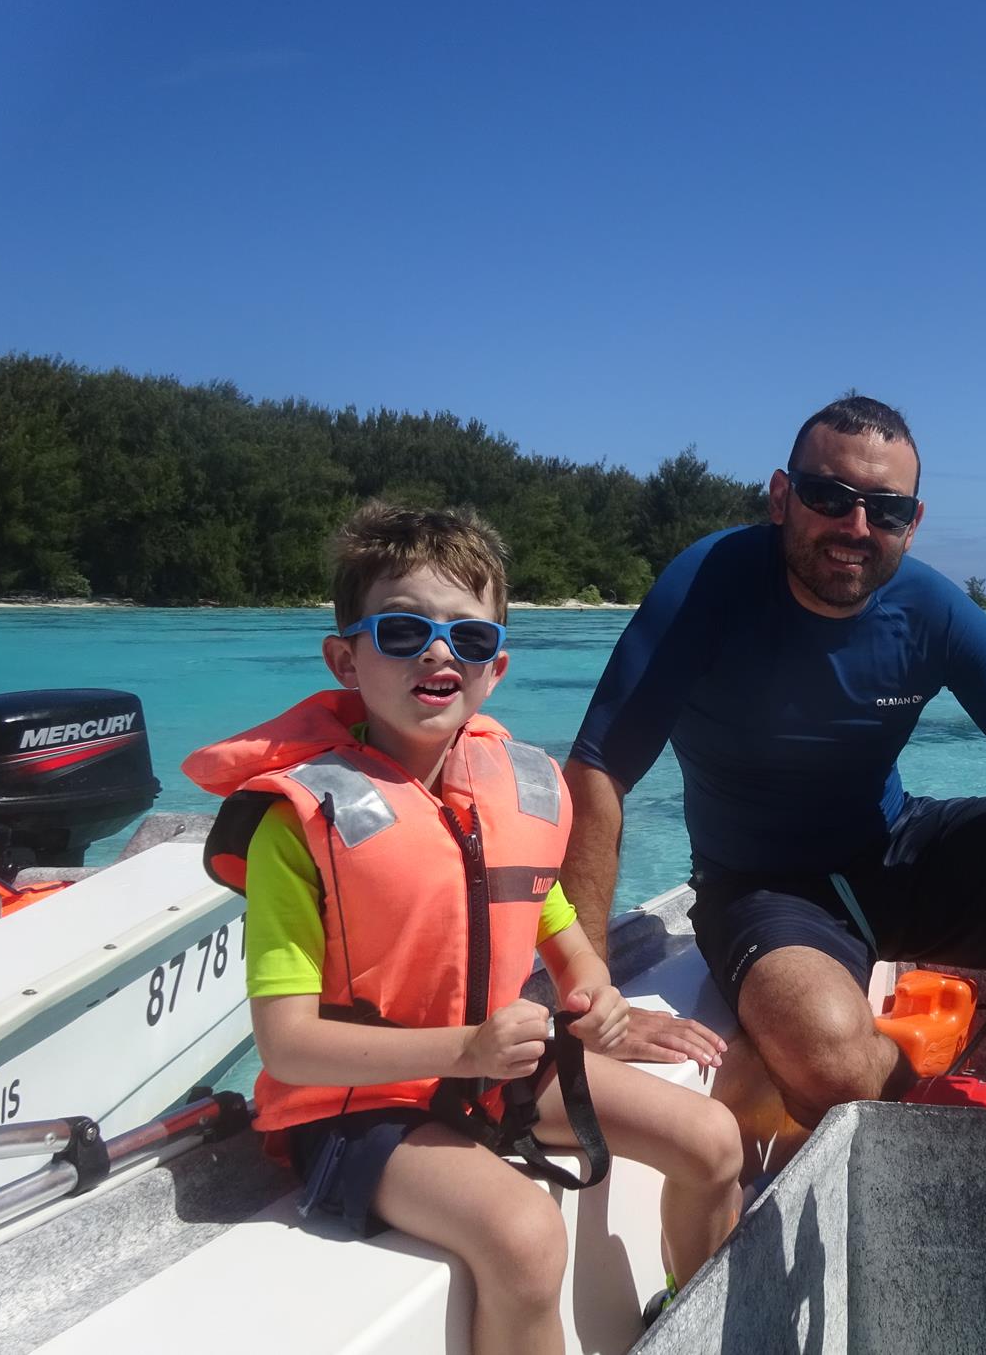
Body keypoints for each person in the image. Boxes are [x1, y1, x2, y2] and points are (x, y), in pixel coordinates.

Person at [183, 504, 740, 1355]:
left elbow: (541, 902)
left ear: (495, 668)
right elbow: (288, 1047)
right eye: (404, 632)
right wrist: (468, 1050)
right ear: (346, 658)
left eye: (469, 640)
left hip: (486, 1073)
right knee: (523, 1235)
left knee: (712, 1140)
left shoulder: (502, 792)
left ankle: (694, 1328)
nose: (440, 654)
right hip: (355, 1112)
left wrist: (593, 985)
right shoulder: (297, 827)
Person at [562, 395, 986, 1152]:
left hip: (897, 848)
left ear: (913, 521)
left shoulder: (931, 610)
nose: (855, 528)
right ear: (780, 496)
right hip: (764, 887)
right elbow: (597, 774)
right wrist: (594, 992)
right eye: (829, 497)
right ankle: (914, 1057)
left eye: (885, 509)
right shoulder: (708, 587)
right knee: (829, 1061)